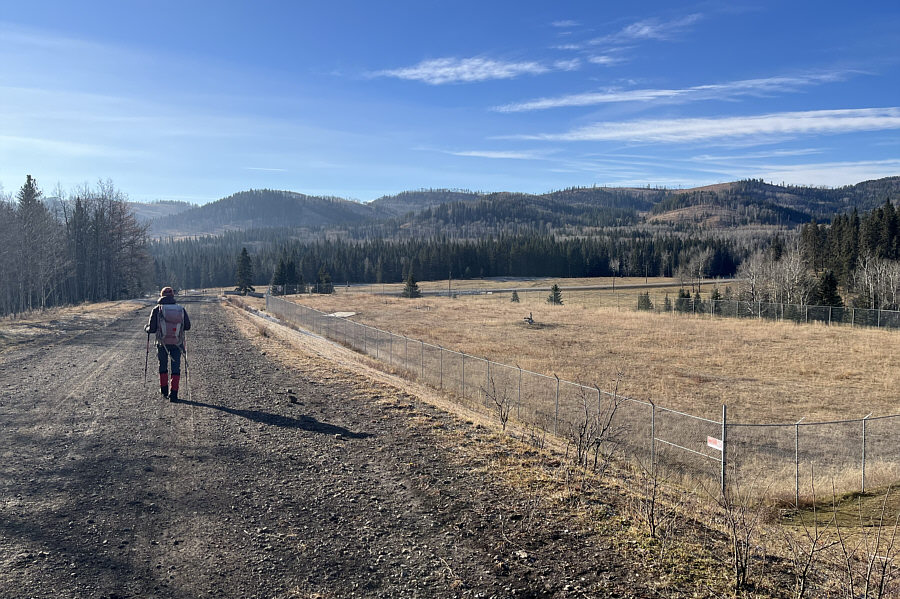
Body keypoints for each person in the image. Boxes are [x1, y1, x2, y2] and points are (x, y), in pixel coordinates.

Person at [145, 286, 191, 401]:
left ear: (161, 296)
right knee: (176, 367)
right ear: (173, 296)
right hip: (177, 343)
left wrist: (146, 328)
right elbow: (187, 326)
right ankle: (174, 393)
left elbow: (152, 329)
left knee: (163, 365)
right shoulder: (180, 309)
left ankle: (164, 390)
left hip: (162, 343)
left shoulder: (157, 309)